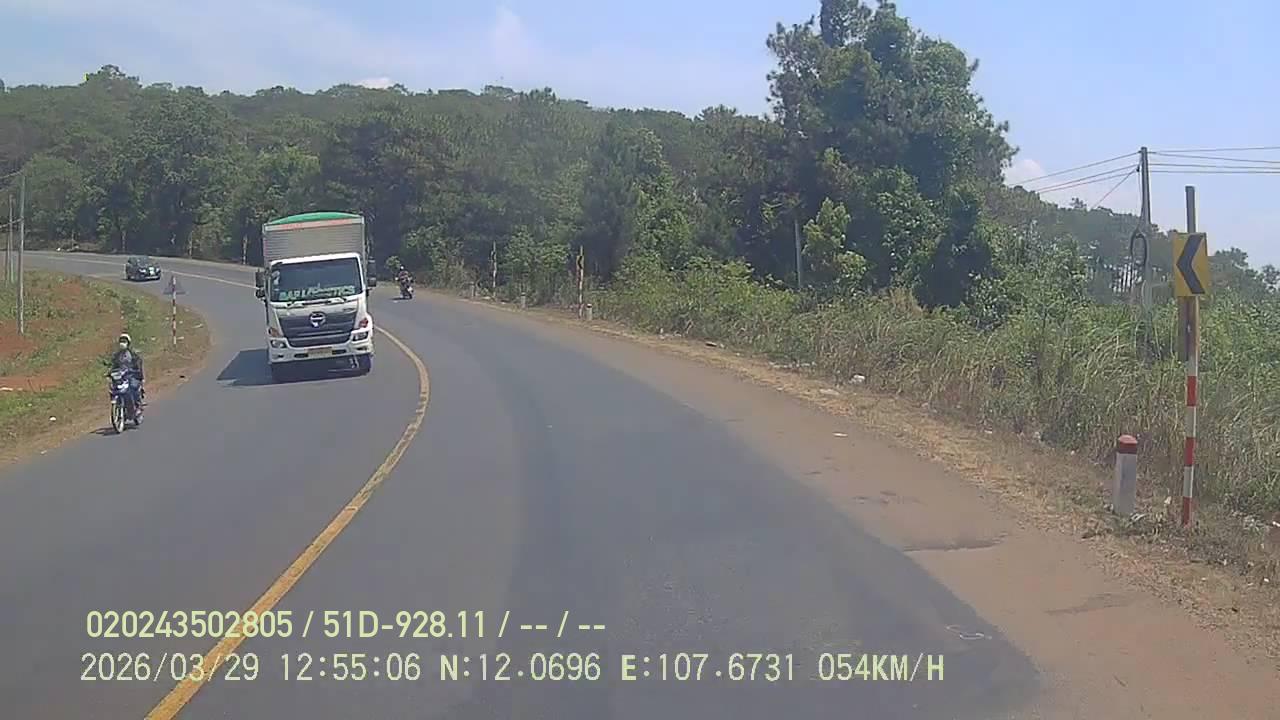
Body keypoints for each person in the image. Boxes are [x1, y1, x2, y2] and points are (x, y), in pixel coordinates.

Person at [109, 333, 145, 410]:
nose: (122, 343)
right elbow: (113, 366)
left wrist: (135, 371)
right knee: (113, 388)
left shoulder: (133, 354)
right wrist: (110, 372)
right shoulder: (117, 355)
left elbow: (138, 365)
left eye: (124, 341)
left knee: (133, 388)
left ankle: (137, 405)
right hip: (121, 377)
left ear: (128, 343)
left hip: (131, 375)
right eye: (121, 341)